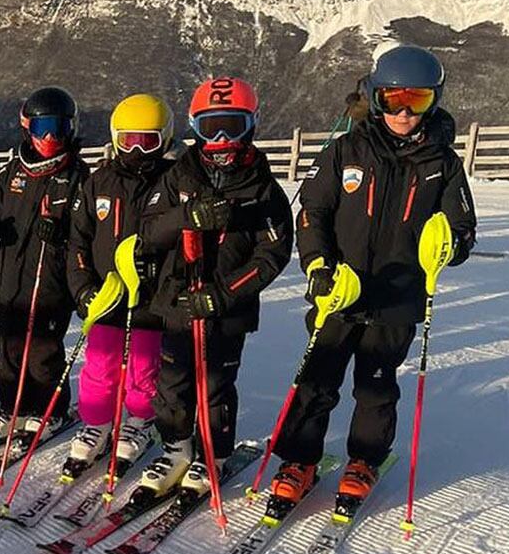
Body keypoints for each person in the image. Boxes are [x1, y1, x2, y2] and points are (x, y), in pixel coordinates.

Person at [268, 45, 476, 505]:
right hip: (338, 290)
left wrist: (452, 247)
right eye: (393, 100)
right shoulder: (346, 150)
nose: (404, 112)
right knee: (316, 380)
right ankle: (298, 460)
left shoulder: (442, 164)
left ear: (434, 101)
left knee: (376, 387)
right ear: (376, 98)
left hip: (397, 298)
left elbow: (462, 227)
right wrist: (318, 265)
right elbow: (313, 211)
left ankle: (365, 459)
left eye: (417, 101)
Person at [137, 77, 293, 495]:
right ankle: (174, 447)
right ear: (194, 127)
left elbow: (271, 256)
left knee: (216, 385)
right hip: (177, 301)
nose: (221, 139)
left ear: (251, 126)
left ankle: (213, 454)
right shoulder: (178, 177)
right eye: (210, 128)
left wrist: (223, 294)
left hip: (226, 310)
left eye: (232, 126)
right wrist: (184, 218)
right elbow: (147, 231)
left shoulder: (264, 191)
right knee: (172, 382)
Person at [0, 87, 88, 447]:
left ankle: (50, 408)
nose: (50, 137)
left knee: (43, 353)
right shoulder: (12, 174)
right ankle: (11, 405)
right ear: (26, 128)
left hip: (51, 280)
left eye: (58, 127)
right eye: (42, 127)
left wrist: (61, 232)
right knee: (10, 351)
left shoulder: (78, 176)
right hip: (11, 279)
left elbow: (87, 231)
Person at [63, 94, 177, 479]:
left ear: (166, 139)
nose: (138, 150)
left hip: (150, 297)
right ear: (115, 138)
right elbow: (78, 241)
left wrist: (162, 277)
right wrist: (83, 289)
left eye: (149, 141)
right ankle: (97, 422)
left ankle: (139, 421)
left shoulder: (172, 182)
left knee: (144, 367)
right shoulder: (99, 182)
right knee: (100, 364)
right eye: (129, 140)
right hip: (107, 294)